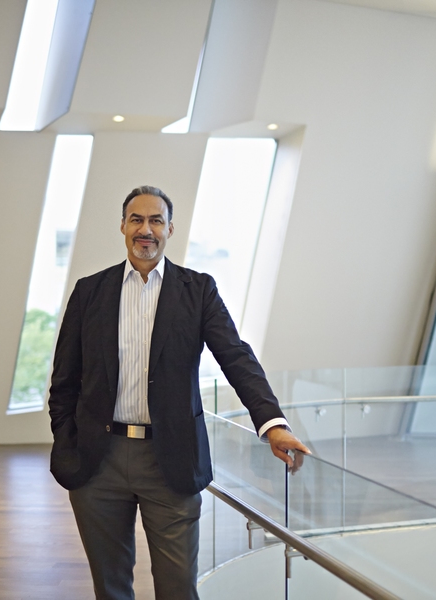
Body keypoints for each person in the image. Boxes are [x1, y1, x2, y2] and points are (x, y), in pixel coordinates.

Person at [48, 185, 310, 600]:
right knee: (110, 586)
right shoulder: (89, 291)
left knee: (177, 588)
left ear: (170, 229)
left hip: (170, 459)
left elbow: (236, 358)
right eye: (136, 219)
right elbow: (64, 379)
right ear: (122, 226)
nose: (145, 229)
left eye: (155, 221)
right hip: (98, 460)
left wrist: (272, 425)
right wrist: (67, 440)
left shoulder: (198, 290)